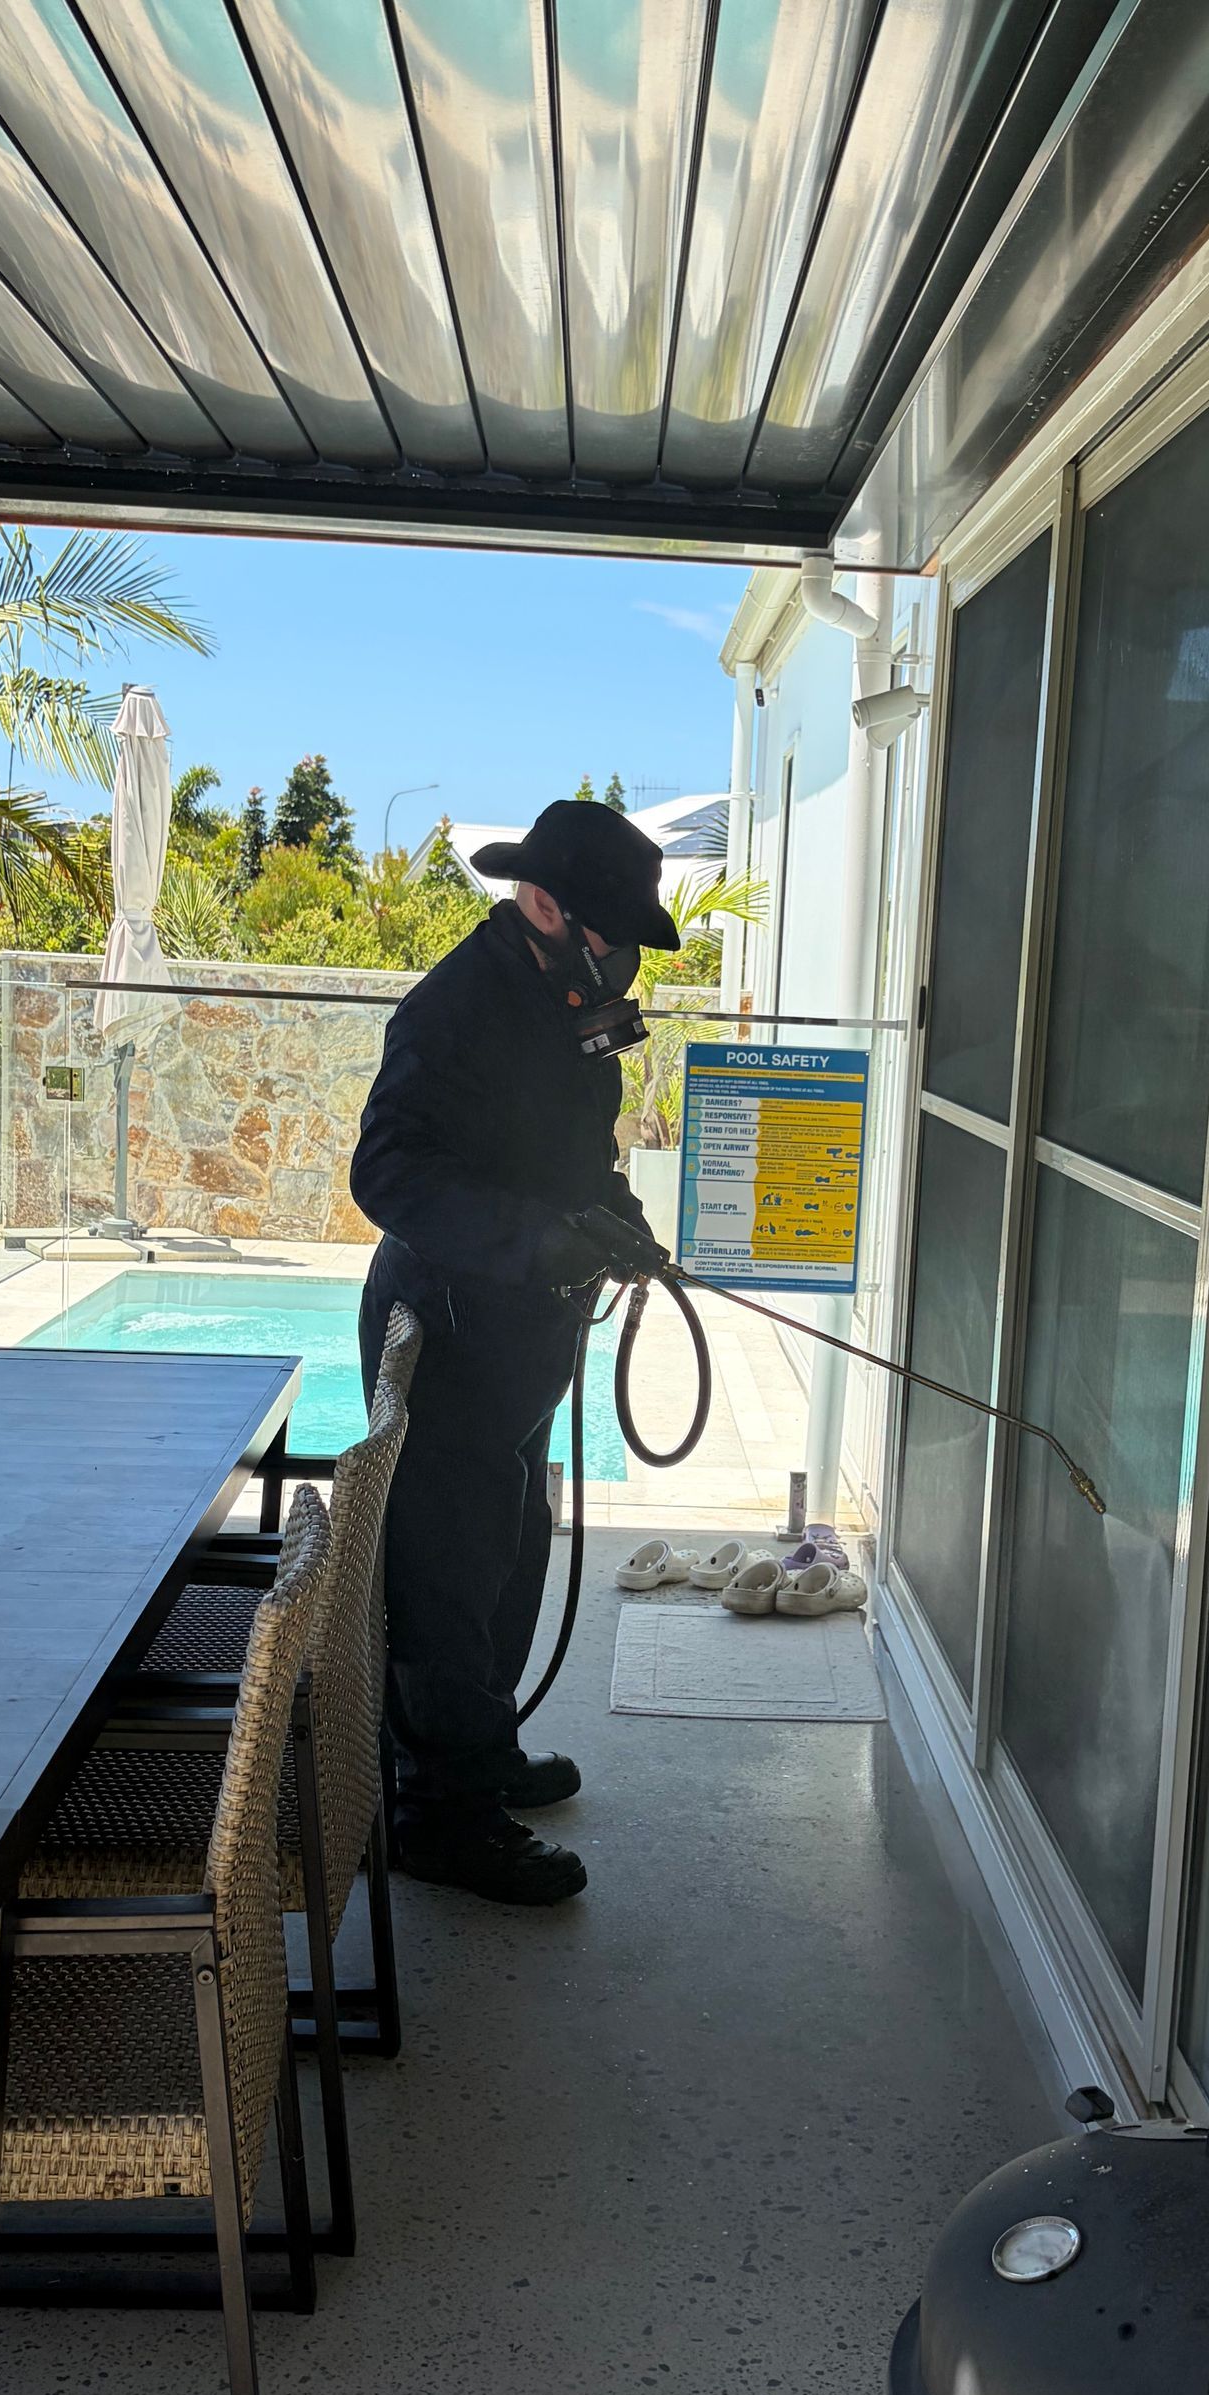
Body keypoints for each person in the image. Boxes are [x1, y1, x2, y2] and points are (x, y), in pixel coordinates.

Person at [349, 799, 678, 1905]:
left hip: (526, 1331)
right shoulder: (454, 1011)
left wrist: (613, 1216)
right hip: (452, 1328)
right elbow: (386, 1176)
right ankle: (439, 1814)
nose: (623, 957)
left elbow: (575, 1152)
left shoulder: (565, 995)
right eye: (611, 932)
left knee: (513, 1548)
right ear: (542, 904)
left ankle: (476, 1756)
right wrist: (537, 1239)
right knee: (448, 1571)